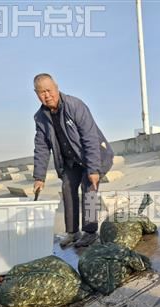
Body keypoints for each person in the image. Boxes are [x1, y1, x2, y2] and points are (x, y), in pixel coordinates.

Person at [32, 73, 114, 248]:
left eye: (49, 90)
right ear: (36, 94)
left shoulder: (75, 105)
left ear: (56, 88)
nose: (47, 95)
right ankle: (73, 232)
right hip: (71, 160)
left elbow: (90, 138)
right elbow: (41, 147)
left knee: (89, 187)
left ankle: (90, 232)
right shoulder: (40, 117)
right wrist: (39, 177)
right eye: (41, 92)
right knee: (67, 187)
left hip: (95, 155)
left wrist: (93, 169)